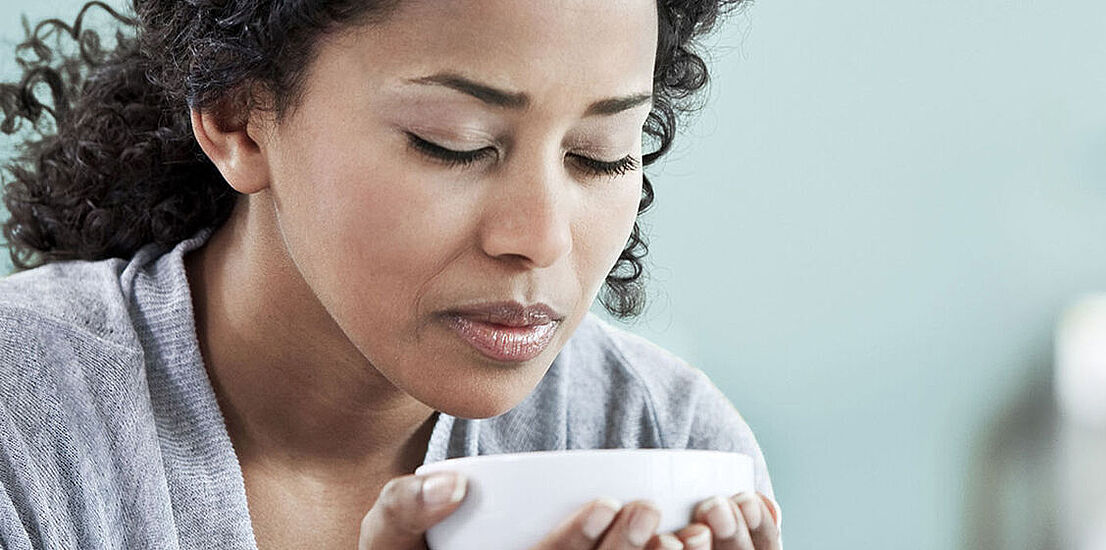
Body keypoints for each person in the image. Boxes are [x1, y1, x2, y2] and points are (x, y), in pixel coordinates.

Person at [0, 0, 780, 548]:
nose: (540, 240)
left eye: (601, 152)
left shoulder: (657, 441)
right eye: (455, 144)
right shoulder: (25, 424)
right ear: (239, 117)